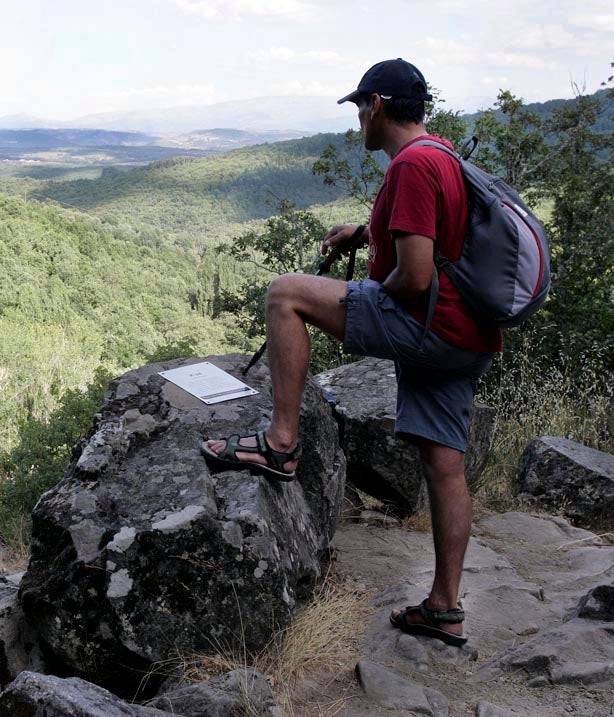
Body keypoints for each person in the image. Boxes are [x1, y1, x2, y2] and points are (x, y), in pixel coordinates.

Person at [200, 58, 498, 647]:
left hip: (426, 322)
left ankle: (280, 445)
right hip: (467, 336)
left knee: (286, 294)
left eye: (359, 107)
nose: (357, 119)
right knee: (445, 464)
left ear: (378, 105)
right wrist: (364, 235)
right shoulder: (440, 154)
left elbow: (412, 279)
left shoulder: (410, 166)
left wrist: (362, 297)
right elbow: (427, 236)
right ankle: (444, 607)